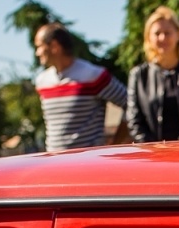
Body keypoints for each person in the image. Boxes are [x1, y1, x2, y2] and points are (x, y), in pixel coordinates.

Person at [34, 23, 129, 152]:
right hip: (55, 161)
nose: (37, 53)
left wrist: (117, 143)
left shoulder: (93, 75)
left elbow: (130, 104)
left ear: (54, 46)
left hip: (89, 161)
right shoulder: (42, 81)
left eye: (39, 46)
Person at [127, 7, 179, 142]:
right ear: (148, 38)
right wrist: (155, 147)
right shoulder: (138, 76)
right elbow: (134, 121)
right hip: (152, 152)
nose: (162, 38)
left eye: (167, 33)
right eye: (157, 33)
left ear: (178, 34)